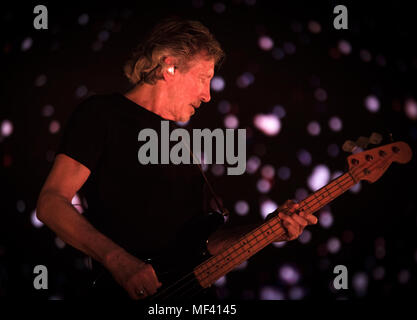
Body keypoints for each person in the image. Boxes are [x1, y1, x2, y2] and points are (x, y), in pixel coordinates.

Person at [36, 17, 318, 300]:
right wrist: (118, 261)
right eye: (203, 78)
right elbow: (51, 203)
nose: (207, 96)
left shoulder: (182, 146)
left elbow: (205, 246)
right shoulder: (101, 115)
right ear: (170, 67)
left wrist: (268, 230)